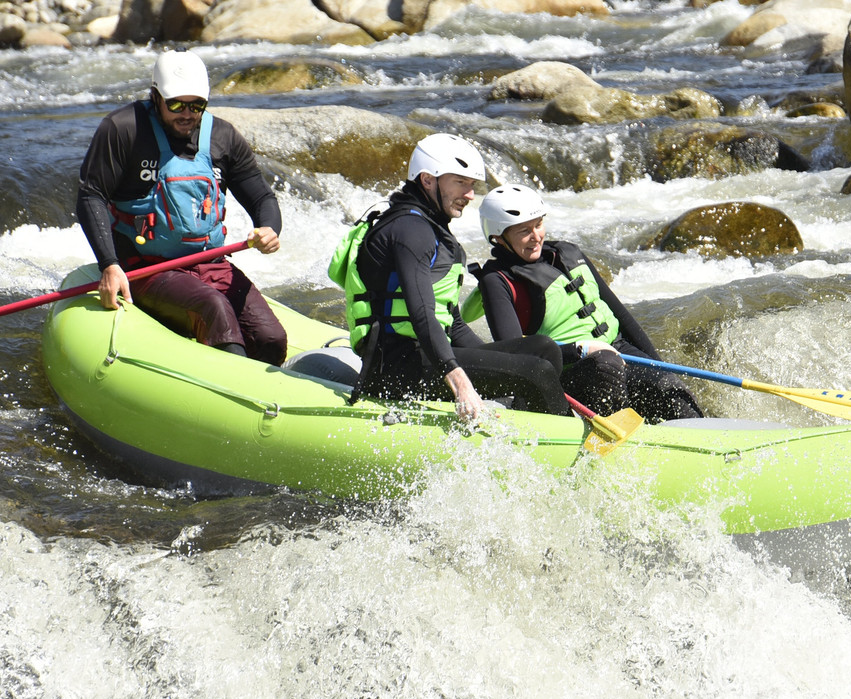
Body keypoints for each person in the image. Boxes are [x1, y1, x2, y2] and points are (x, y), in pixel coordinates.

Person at [332, 133, 569, 421]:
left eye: (471, 185)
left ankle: (523, 426)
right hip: (396, 367)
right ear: (427, 179)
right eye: (460, 182)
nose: (470, 195)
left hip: (426, 355)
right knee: (536, 371)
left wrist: (499, 364)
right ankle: (564, 450)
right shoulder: (410, 230)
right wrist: (458, 378)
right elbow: (422, 315)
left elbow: (452, 321)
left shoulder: (433, 228)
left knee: (541, 349)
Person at [76, 49, 288, 366]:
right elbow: (90, 195)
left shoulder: (223, 136)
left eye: (196, 105)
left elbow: (261, 198)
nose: (186, 113)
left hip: (210, 262)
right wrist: (109, 264)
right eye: (176, 104)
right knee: (213, 307)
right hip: (146, 266)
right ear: (155, 97)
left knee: (271, 339)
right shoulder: (123, 129)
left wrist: (269, 228)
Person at [467, 183, 703, 424]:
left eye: (538, 225)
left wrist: (660, 366)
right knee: (606, 365)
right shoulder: (497, 281)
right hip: (568, 371)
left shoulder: (569, 253)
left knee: (671, 391)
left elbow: (621, 314)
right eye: (523, 231)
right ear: (498, 236)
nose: (536, 236)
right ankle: (616, 438)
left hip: (618, 349)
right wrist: (579, 349)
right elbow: (516, 356)